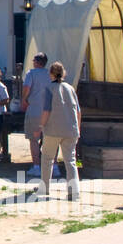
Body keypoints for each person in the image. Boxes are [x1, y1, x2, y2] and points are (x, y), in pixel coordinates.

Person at [38, 61, 81, 201]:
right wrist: (77, 129)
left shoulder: (49, 88)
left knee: (47, 159)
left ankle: (44, 188)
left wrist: (41, 126)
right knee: (70, 161)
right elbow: (78, 111)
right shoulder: (70, 88)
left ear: (50, 74)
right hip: (71, 129)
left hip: (53, 130)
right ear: (63, 73)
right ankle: (74, 192)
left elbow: (46, 110)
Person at [21, 53, 51, 177]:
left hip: (34, 110)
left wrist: (24, 100)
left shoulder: (31, 73)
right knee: (50, 140)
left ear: (36, 62)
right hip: (49, 111)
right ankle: (52, 166)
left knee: (33, 139)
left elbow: (27, 87)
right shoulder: (50, 74)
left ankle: (36, 166)